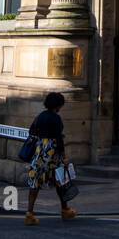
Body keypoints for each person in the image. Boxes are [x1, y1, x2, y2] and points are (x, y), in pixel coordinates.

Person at [24, 92, 76, 225]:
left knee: (35, 181)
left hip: (40, 150)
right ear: (57, 105)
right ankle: (65, 210)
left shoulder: (40, 116)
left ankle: (29, 213)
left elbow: (31, 131)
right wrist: (64, 157)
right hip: (52, 151)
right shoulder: (56, 118)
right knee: (60, 180)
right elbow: (59, 139)